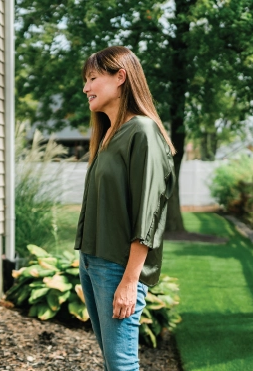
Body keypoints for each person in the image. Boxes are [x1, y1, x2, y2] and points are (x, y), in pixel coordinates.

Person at [74, 46, 177, 371]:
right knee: (111, 362)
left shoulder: (143, 132)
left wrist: (130, 281)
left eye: (92, 78)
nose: (85, 87)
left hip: (117, 267)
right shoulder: (107, 136)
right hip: (91, 262)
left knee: (121, 365)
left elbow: (148, 216)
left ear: (120, 77)